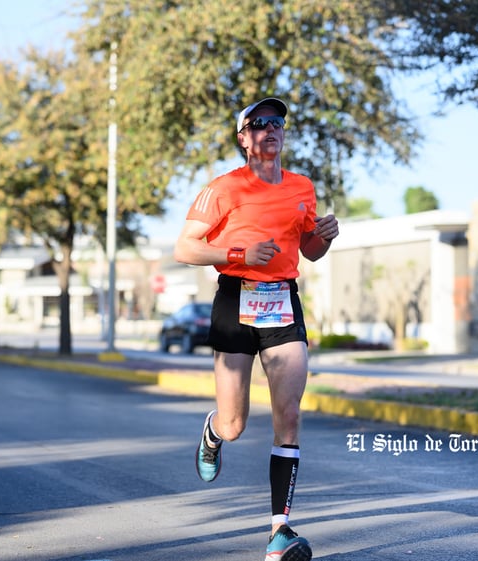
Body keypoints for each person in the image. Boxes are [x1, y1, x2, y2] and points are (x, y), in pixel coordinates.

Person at [174, 97, 339, 561]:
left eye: (278, 123)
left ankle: (279, 531)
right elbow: (185, 248)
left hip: (282, 301)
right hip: (236, 298)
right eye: (259, 123)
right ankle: (212, 432)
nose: (271, 129)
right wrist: (238, 256)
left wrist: (323, 236)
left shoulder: (302, 187)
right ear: (243, 138)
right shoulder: (224, 189)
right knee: (235, 424)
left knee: (289, 414)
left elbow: (308, 250)